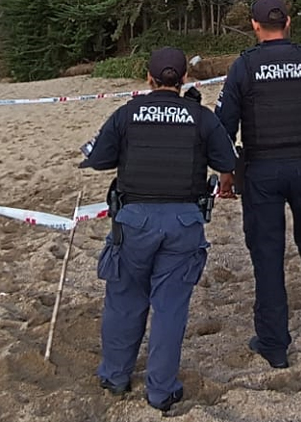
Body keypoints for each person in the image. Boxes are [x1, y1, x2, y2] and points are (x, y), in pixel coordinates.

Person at [81, 47, 237, 412]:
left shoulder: (126, 114)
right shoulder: (200, 117)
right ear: (184, 79)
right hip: (184, 223)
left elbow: (97, 160)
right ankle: (161, 391)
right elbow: (227, 162)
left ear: (148, 78)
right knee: (170, 308)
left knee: (124, 301)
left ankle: (116, 377)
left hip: (134, 221)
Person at [215, 0, 301, 369]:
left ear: (255, 26)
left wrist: (226, 171)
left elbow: (224, 125)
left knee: (268, 254)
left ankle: (274, 344)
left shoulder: (244, 66)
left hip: (261, 171)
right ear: (288, 22)